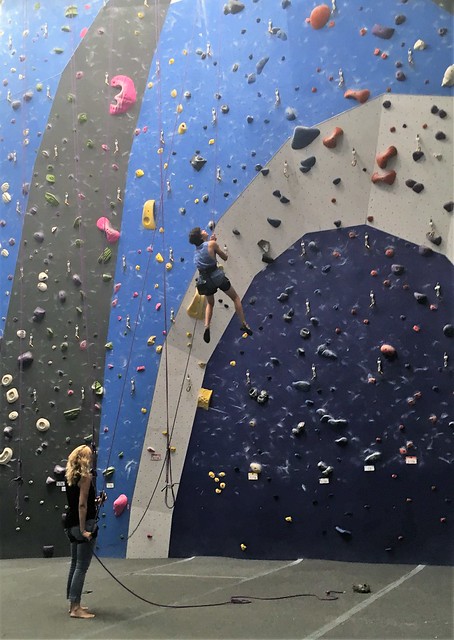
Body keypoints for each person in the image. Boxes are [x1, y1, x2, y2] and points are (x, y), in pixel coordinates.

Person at [189, 226, 253, 343]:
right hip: (217, 277)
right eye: (202, 231)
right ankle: (244, 323)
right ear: (201, 236)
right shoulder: (211, 244)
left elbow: (205, 256)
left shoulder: (195, 255)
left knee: (210, 304)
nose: (205, 231)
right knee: (235, 298)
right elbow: (225, 257)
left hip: (205, 282)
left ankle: (207, 326)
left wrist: (212, 243)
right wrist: (215, 245)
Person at [64, 444, 100, 619]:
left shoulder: (70, 477)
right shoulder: (85, 477)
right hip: (82, 524)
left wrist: (97, 501)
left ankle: (73, 602)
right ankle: (75, 608)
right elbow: (82, 504)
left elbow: (81, 501)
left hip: (69, 524)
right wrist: (84, 529)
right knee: (81, 566)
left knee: (74, 563)